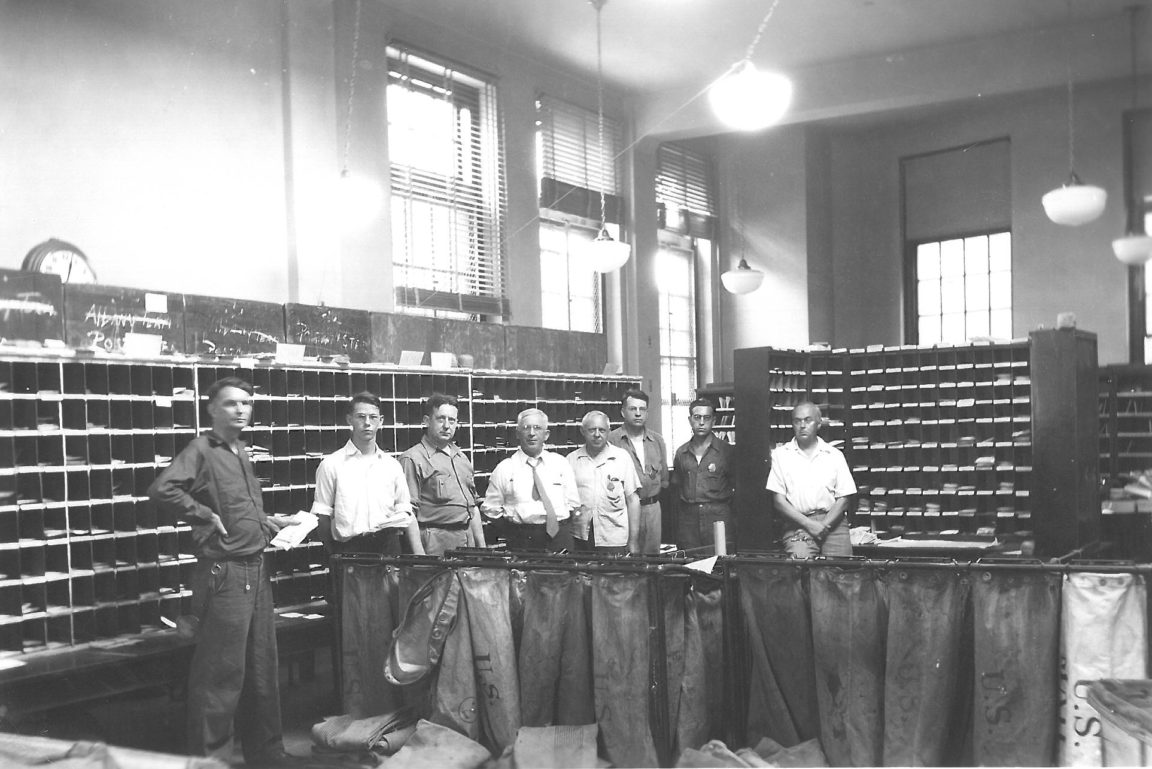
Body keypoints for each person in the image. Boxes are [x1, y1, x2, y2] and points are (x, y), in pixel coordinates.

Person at [148, 377, 298, 766]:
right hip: (224, 572)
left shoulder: (240, 450)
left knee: (262, 668)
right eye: (232, 403)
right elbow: (163, 488)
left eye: (247, 402)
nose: (241, 410)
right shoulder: (201, 449)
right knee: (220, 675)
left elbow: (239, 507)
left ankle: (267, 754)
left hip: (256, 567)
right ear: (212, 408)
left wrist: (268, 521)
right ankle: (210, 759)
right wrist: (203, 515)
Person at [311, 391, 424, 557]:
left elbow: (405, 510)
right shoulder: (331, 464)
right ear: (350, 419)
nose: (367, 423)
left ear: (381, 421)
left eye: (373, 417)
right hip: (350, 550)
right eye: (361, 417)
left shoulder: (392, 465)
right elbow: (322, 515)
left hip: (388, 549)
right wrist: (334, 553)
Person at [767, 401, 857, 558]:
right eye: (797, 421)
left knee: (841, 571)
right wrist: (809, 525)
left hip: (834, 522)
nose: (802, 425)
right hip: (798, 522)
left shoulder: (834, 455)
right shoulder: (781, 456)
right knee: (801, 564)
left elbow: (844, 498)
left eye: (808, 420)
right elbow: (779, 502)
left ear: (819, 423)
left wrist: (823, 526)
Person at [399, 393, 486, 555]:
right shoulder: (412, 458)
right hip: (434, 544)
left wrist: (483, 550)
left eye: (451, 420)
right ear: (426, 421)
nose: (447, 425)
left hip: (467, 542)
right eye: (441, 419)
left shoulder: (462, 458)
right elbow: (408, 513)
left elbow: (472, 508)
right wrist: (420, 558)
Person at [482, 408, 579, 552]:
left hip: (560, 538)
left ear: (546, 435)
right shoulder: (505, 468)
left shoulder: (561, 463)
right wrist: (516, 530)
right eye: (526, 428)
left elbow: (574, 504)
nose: (532, 433)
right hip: (522, 540)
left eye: (537, 428)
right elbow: (491, 509)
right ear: (517, 433)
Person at [568, 410, 641, 554]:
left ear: (609, 431)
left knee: (614, 575)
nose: (597, 435)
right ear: (583, 431)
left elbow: (633, 500)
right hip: (581, 536)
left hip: (614, 536)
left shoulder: (621, 458)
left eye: (601, 430)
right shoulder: (571, 460)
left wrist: (633, 541)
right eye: (591, 430)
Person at [671, 397, 735, 554]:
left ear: (713, 420)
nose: (701, 422)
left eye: (706, 418)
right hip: (688, 520)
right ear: (690, 420)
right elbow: (676, 488)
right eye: (697, 417)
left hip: (718, 515)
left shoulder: (727, 452)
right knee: (691, 563)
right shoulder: (681, 453)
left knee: (720, 565)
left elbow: (736, 487)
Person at [608, 388, 668, 554]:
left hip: (652, 509)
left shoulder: (657, 441)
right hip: (623, 511)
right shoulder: (611, 440)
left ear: (647, 413)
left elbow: (664, 479)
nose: (638, 414)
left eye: (642, 409)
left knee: (653, 560)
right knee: (628, 558)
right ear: (623, 412)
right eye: (632, 409)